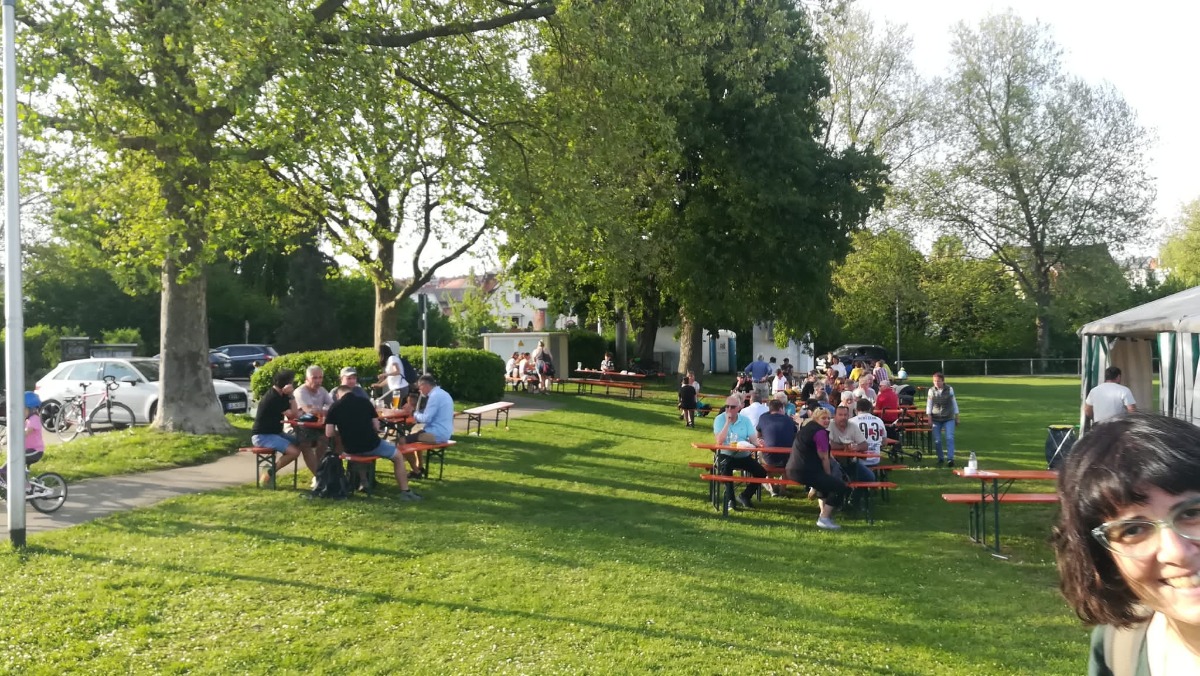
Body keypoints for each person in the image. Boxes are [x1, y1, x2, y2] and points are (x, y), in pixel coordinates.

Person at [1052, 413, 1200, 675]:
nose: (1177, 552)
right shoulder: (1119, 646)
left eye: (1192, 513)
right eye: (1133, 530)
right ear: (1103, 558)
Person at [325, 385, 422, 501]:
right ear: (352, 393)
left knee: (359, 454)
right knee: (398, 456)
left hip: (350, 448)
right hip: (371, 445)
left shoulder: (334, 407)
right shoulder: (365, 402)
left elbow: (329, 433)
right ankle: (405, 491)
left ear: (337, 395)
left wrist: (343, 431)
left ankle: (363, 482)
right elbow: (377, 426)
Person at [786, 407, 848, 530]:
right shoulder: (820, 432)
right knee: (840, 487)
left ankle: (823, 515)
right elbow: (824, 457)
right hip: (805, 470)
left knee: (823, 485)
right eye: (823, 418)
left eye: (828, 418)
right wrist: (828, 475)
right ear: (815, 418)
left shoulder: (807, 428)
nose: (826, 421)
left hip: (793, 469)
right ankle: (824, 518)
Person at [713, 394, 767, 512]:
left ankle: (745, 495)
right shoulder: (719, 419)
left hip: (743, 455)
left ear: (739, 408)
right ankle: (730, 500)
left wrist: (759, 442)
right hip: (726, 454)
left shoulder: (745, 420)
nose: (729, 410)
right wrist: (727, 423)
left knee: (761, 472)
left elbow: (753, 439)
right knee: (726, 470)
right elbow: (719, 441)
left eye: (732, 407)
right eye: (727, 406)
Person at [251, 369, 303, 487]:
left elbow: (294, 413)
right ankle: (269, 473)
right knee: (294, 452)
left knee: (301, 442)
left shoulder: (281, 395)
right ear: (286, 384)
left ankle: (270, 470)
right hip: (263, 436)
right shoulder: (273, 398)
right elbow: (294, 414)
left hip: (276, 433)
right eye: (292, 382)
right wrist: (292, 395)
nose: (293, 385)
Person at [398, 374, 454, 479]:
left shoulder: (434, 396)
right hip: (445, 432)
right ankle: (420, 466)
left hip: (436, 434)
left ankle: (416, 471)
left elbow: (426, 418)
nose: (419, 390)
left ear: (425, 385)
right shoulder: (443, 393)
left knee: (402, 441)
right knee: (415, 434)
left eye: (420, 387)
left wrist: (413, 412)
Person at [293, 365, 334, 476]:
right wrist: (323, 410)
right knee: (305, 443)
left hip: (317, 427)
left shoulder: (322, 390)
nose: (318, 381)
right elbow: (309, 411)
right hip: (297, 427)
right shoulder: (300, 392)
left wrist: (320, 410)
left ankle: (323, 470)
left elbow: (333, 407)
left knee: (329, 438)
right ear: (307, 379)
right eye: (314, 378)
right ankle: (318, 476)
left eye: (320, 377)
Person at [0, 392, 47, 487]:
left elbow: (24, 433)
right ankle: (20, 483)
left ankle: (6, 475)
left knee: (17, 457)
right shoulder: (27, 419)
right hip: (27, 450)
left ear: (32, 409)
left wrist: (9, 439)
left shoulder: (34, 419)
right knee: (13, 458)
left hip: (35, 451)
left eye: (23, 409)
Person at [757, 399, 798, 496]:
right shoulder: (789, 420)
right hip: (787, 459)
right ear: (781, 408)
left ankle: (773, 486)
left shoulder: (763, 418)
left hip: (769, 459)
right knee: (788, 455)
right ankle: (782, 489)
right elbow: (795, 434)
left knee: (761, 454)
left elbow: (758, 435)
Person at [927, 371, 960, 467]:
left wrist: (957, 416)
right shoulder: (931, 391)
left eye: (938, 381)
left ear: (943, 381)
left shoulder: (949, 389)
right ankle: (940, 458)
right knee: (937, 440)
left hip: (948, 417)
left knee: (949, 437)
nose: (936, 383)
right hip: (936, 418)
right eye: (934, 381)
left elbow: (954, 403)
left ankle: (950, 459)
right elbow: (929, 405)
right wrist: (929, 417)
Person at [828, 405, 869, 481]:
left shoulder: (853, 426)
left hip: (850, 462)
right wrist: (845, 447)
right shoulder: (829, 425)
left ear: (849, 415)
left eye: (845, 415)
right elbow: (829, 444)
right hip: (832, 462)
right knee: (836, 478)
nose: (843, 417)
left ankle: (859, 491)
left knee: (869, 477)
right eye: (840, 415)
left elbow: (865, 445)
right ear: (834, 416)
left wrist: (857, 447)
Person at [849, 399, 886, 483]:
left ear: (856, 410)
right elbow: (884, 442)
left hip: (858, 460)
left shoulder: (851, 422)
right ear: (870, 409)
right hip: (875, 458)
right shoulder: (879, 421)